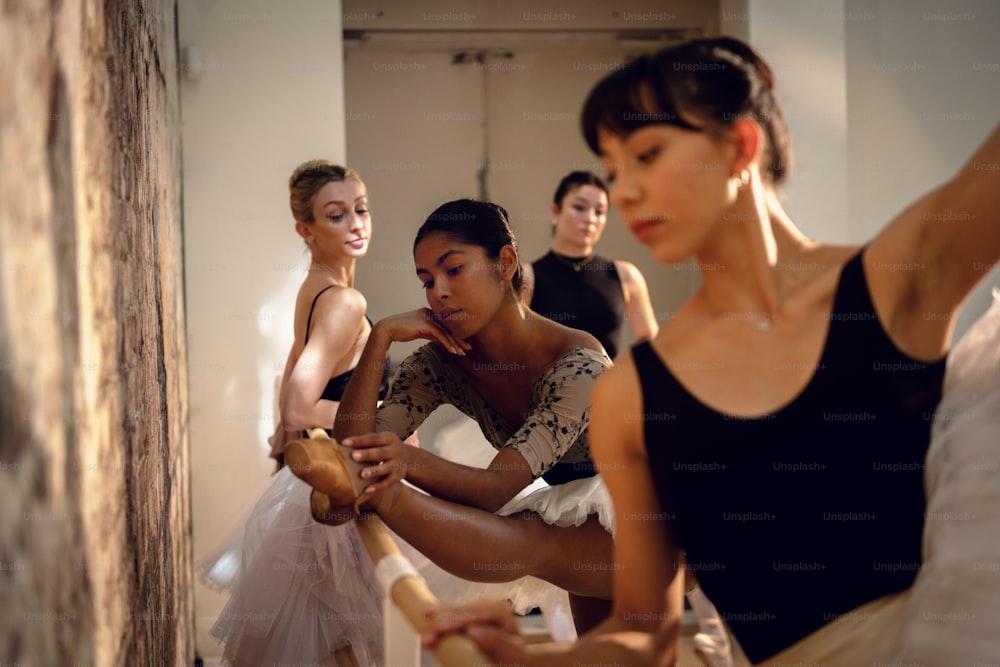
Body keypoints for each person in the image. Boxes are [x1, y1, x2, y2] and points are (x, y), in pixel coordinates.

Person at [419, 36, 1000, 665]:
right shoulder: (632, 395)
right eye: (615, 170)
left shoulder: (895, 279)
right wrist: (531, 659)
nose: (627, 192)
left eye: (647, 154)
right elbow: (645, 636)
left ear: (740, 146)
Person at [287, 198, 619, 635]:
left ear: (505, 263)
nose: (438, 291)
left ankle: (379, 497)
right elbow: (355, 448)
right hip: (578, 508)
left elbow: (494, 490)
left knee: (527, 538)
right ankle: (369, 494)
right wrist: (381, 337)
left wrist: (403, 463)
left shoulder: (579, 367)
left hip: (650, 511)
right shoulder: (441, 361)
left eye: (453, 270)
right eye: (426, 280)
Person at [198, 161, 395, 666]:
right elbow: (298, 401)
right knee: (354, 637)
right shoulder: (345, 302)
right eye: (337, 215)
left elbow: (292, 369)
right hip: (340, 487)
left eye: (361, 209)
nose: (356, 223)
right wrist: (382, 422)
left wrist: (284, 442)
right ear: (305, 230)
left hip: (321, 481)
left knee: (335, 639)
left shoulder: (314, 289)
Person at [525, 170, 659, 359]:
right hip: (546, 387)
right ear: (555, 212)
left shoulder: (625, 275)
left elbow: (650, 338)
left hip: (607, 386)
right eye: (580, 207)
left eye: (599, 211)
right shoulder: (527, 276)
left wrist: (624, 376)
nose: (590, 218)